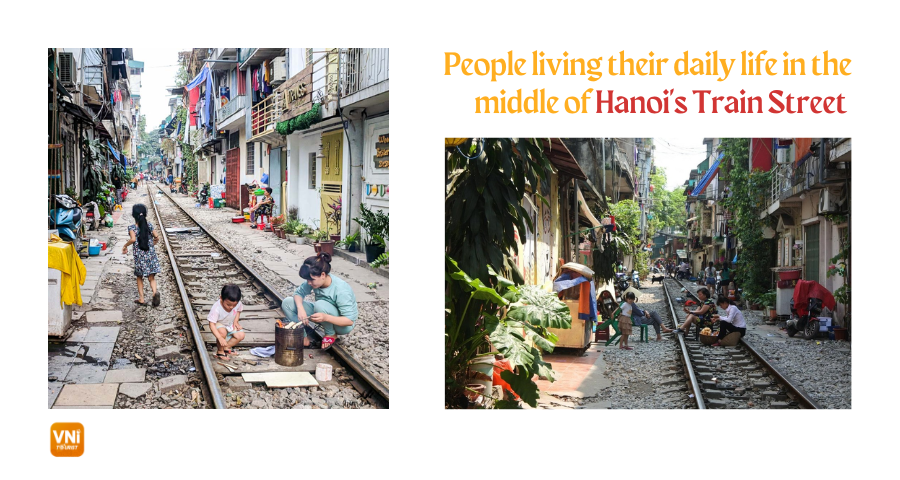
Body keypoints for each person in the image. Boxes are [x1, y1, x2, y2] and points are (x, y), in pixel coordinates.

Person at [280, 253, 358, 350]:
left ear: (323, 275)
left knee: (320, 304)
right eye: (307, 280)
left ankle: (331, 334)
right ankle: (302, 336)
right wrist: (300, 309)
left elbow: (349, 321)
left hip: (341, 325)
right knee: (287, 303)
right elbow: (298, 294)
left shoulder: (341, 290)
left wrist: (326, 317)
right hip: (322, 313)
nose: (309, 283)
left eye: (311, 280)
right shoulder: (314, 281)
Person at [121, 204, 161, 306]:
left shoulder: (132, 228)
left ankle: (141, 298)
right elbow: (157, 237)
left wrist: (125, 246)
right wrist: (152, 243)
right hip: (150, 255)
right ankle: (154, 292)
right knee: (151, 277)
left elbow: (133, 239)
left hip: (139, 257)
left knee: (139, 276)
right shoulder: (149, 225)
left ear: (133, 215)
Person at [208, 284, 246, 360]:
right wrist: (219, 338)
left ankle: (226, 347)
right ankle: (220, 351)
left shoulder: (237, 303)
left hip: (229, 323)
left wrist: (236, 322)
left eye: (234, 305)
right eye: (228, 305)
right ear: (221, 298)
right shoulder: (216, 308)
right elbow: (211, 324)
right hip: (219, 323)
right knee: (222, 332)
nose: (231, 307)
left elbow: (238, 311)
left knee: (240, 335)